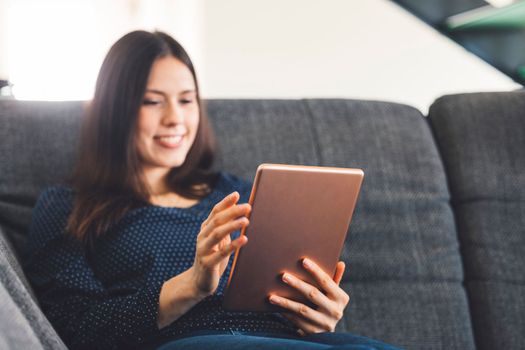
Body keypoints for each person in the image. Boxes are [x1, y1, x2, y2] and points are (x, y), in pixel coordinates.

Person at [25, 30, 400, 350]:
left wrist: (315, 316)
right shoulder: (67, 207)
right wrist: (189, 286)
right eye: (152, 101)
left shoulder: (241, 195)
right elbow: (73, 329)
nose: (175, 118)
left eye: (187, 100)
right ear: (114, 109)